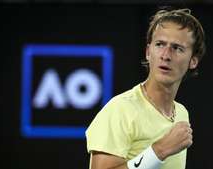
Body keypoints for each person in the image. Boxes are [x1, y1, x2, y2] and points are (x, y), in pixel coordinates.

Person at [85, 7, 206, 169]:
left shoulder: (182, 113)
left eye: (177, 48)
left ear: (193, 61)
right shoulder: (120, 109)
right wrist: (158, 151)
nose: (166, 55)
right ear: (148, 52)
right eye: (160, 44)